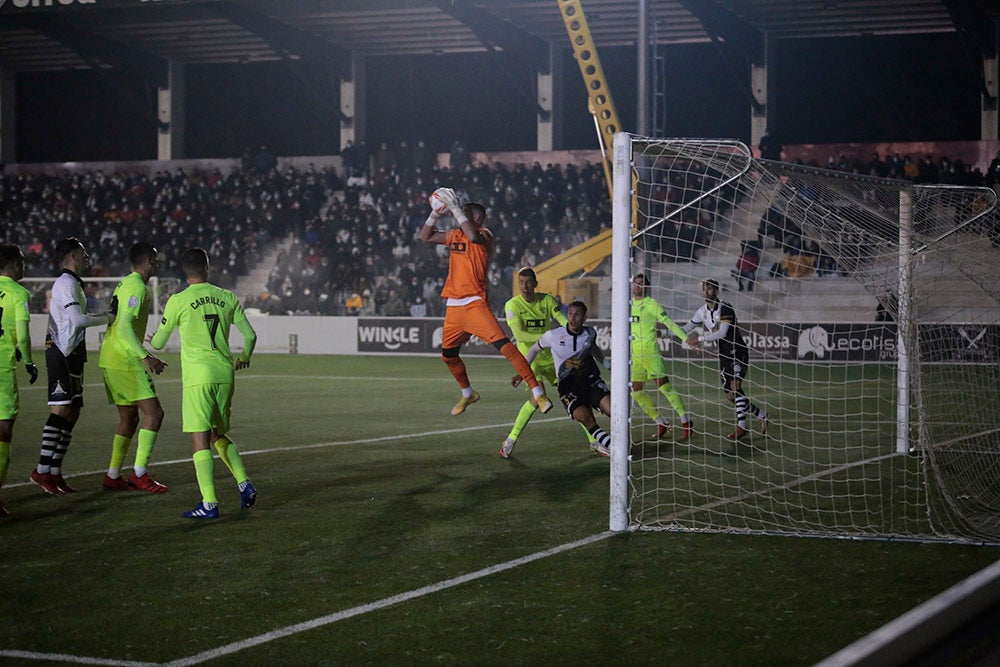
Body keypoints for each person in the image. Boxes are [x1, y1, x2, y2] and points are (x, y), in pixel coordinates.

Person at [419, 187, 552, 416]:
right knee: (448, 356)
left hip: (475, 304)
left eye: (465, 211)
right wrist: (435, 213)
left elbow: (473, 236)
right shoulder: (454, 235)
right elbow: (426, 236)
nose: (459, 211)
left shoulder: (485, 235)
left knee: (506, 348)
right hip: (454, 307)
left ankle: (538, 393)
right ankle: (468, 393)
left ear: (477, 217)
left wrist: (454, 207)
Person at [150, 248, 258, 519]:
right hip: (224, 375)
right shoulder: (226, 297)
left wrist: (153, 338)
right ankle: (244, 484)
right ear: (207, 268)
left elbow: (159, 344)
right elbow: (250, 335)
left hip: (198, 378)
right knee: (216, 434)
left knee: (199, 438)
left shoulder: (178, 300)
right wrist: (244, 357)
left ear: (184, 272)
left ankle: (209, 503)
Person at [30, 238, 113, 496]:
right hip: (61, 352)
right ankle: (41, 471)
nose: (88, 256)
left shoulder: (73, 282)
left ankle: (55, 472)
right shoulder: (65, 283)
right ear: (74, 255)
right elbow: (76, 320)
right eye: (84, 252)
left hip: (73, 353)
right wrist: (109, 317)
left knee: (73, 410)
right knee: (62, 408)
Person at [500, 267, 593, 459]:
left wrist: (571, 330)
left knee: (575, 396)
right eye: (521, 282)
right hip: (529, 359)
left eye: (528, 282)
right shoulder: (512, 305)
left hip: (552, 358)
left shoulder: (547, 300)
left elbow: (561, 320)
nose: (525, 287)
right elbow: (519, 335)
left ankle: (594, 440)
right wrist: (550, 337)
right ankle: (510, 440)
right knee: (537, 398)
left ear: (535, 284)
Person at [98, 242, 169, 493]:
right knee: (155, 413)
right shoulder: (136, 287)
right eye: (155, 259)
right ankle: (139, 473)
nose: (157, 263)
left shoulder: (126, 282)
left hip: (110, 357)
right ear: (148, 261)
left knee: (129, 417)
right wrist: (145, 356)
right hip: (124, 359)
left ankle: (113, 475)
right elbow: (126, 326)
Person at [513, 301, 612, 457]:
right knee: (584, 417)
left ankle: (617, 443)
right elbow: (533, 350)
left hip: (590, 381)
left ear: (585, 318)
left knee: (613, 410)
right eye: (570, 313)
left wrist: (609, 366)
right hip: (568, 387)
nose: (572, 318)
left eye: (577, 314)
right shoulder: (553, 335)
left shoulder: (590, 333)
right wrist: (521, 372)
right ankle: (610, 445)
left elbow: (593, 350)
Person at [684, 279, 768, 440]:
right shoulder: (701, 311)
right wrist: (664, 332)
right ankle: (761, 415)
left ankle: (742, 427)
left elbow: (722, 333)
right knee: (731, 395)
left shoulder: (725, 308)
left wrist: (699, 339)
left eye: (709, 289)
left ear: (716, 291)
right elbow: (686, 328)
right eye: (704, 289)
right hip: (724, 355)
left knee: (735, 386)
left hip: (737, 351)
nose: (706, 292)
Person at [0, 244, 39, 516]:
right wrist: (28, 362)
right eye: (22, 261)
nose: (24, 266)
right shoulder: (19, 293)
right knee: (3, 431)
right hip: (1, 370)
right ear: (12, 264)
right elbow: (24, 337)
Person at [630, 274, 693, 441]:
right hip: (635, 356)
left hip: (651, 353)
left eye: (641, 283)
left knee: (664, 388)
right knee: (636, 392)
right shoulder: (627, 305)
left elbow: (669, 323)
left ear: (647, 288)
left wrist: (685, 338)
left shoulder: (652, 304)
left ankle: (685, 421)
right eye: (635, 283)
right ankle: (661, 422)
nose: (637, 286)